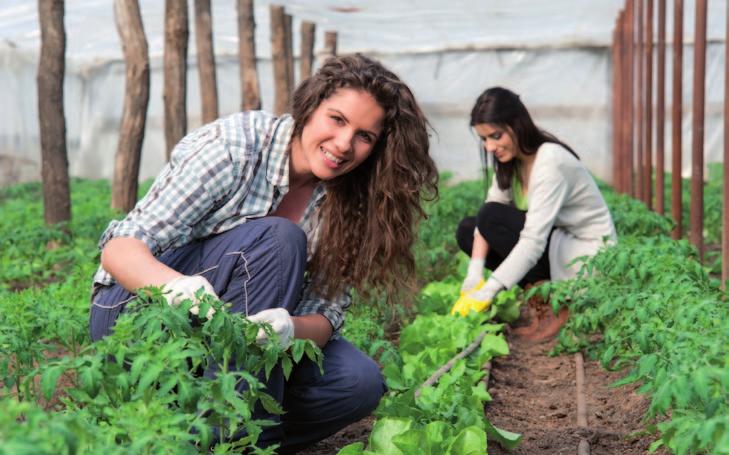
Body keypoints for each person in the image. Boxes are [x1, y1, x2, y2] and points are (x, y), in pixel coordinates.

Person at [89, 54, 438, 452]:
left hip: (227, 341)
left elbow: (327, 313)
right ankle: (241, 439)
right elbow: (119, 248)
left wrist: (288, 328)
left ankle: (199, 434)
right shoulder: (236, 147)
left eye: (365, 136)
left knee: (357, 382)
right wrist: (175, 287)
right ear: (310, 107)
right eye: (337, 119)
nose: (344, 145)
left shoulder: (353, 202)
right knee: (279, 239)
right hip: (137, 312)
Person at [451, 87, 616, 338]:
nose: (489, 147)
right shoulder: (512, 161)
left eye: (495, 136)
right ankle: (541, 298)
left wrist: (491, 289)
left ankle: (557, 305)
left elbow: (533, 240)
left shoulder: (550, 161)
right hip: (557, 244)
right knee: (468, 230)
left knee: (491, 218)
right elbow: (488, 213)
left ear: (517, 125)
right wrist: (474, 274)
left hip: (585, 255)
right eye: (484, 139)